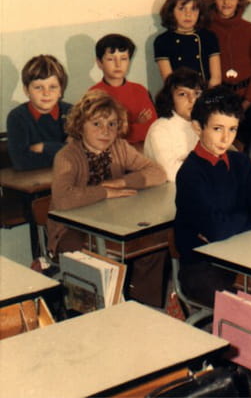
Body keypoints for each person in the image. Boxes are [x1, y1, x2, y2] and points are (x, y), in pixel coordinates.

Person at [47, 90, 167, 305]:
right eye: (97, 124)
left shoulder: (120, 147)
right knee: (91, 258)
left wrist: (122, 182)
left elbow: (158, 173)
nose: (106, 131)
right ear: (80, 126)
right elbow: (63, 199)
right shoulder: (67, 156)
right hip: (71, 230)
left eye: (112, 124)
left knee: (152, 249)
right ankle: (96, 310)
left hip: (115, 224)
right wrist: (105, 192)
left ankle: (144, 308)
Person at [174, 87, 251, 305]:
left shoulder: (240, 162)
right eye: (217, 129)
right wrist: (248, 216)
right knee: (246, 307)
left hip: (243, 252)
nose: (226, 138)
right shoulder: (190, 173)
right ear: (197, 127)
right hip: (202, 265)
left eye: (232, 129)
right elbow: (217, 230)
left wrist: (230, 222)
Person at [206, 0, 251, 149]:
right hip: (218, 102)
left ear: (239, 0)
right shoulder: (206, 30)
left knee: (241, 152)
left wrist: (246, 103)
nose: (226, 2)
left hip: (246, 101)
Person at [89, 34, 157, 145]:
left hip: (142, 147)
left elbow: (151, 128)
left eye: (124, 59)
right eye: (111, 59)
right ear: (99, 63)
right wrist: (137, 124)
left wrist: (123, 128)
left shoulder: (139, 90)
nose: (118, 64)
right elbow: (100, 134)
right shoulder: (94, 94)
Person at [7, 54, 71, 170]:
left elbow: (85, 153)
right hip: (31, 180)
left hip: (67, 177)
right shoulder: (17, 117)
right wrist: (65, 149)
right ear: (26, 91)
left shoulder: (72, 113)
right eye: (38, 87)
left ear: (60, 91)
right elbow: (21, 162)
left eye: (53, 87)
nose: (46, 93)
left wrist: (44, 147)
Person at [144, 68, 206, 181]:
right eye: (183, 94)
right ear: (170, 99)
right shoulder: (160, 130)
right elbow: (171, 173)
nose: (192, 100)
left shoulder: (204, 124)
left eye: (197, 93)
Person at [154, 0, 221, 87]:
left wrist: (208, 95)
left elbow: (216, 78)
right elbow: (169, 82)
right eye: (182, 9)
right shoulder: (163, 41)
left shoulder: (209, 37)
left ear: (200, 12)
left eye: (193, 9)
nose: (188, 14)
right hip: (178, 93)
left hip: (207, 92)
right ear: (171, 11)